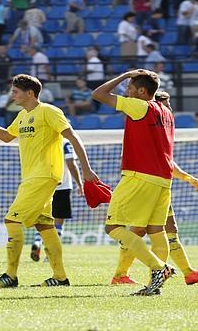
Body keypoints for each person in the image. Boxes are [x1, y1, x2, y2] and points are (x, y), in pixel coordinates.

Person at [0, 74, 98, 288]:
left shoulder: (49, 111)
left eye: (15, 91)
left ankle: (10, 276)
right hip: (32, 176)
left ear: (30, 93)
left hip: (44, 174)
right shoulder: (22, 115)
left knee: (12, 220)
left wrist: (86, 170)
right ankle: (60, 277)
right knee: (45, 226)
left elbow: (73, 137)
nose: (12, 95)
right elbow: (6, 137)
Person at [91, 69, 175, 296]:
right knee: (156, 230)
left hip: (140, 176)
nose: (126, 92)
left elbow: (98, 94)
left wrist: (123, 75)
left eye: (129, 88)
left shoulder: (140, 106)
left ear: (142, 91)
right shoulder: (167, 112)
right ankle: (155, 284)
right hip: (163, 179)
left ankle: (158, 268)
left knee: (113, 227)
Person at [111, 92, 198, 286]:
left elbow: (167, 162)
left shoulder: (162, 128)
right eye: (163, 104)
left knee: (168, 229)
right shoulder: (146, 124)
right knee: (139, 230)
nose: (166, 109)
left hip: (160, 184)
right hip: (146, 185)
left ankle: (186, 272)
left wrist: (187, 177)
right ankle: (121, 274)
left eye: (168, 104)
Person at [31, 139, 83, 261]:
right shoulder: (65, 142)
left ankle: (37, 241)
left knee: (43, 219)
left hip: (43, 184)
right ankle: (50, 254)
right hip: (62, 186)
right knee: (58, 223)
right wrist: (79, 184)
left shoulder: (41, 141)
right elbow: (70, 162)